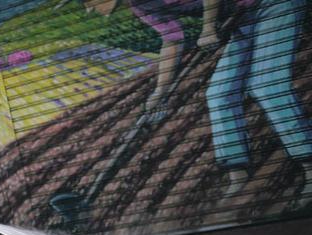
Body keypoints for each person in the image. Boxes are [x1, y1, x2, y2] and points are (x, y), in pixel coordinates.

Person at [84, 0, 312, 204]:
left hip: (274, 6)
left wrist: (208, 28)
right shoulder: (142, 6)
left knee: (267, 86)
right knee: (218, 95)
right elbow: (172, 40)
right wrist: (160, 92)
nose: (92, 7)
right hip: (242, 18)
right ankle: (238, 175)